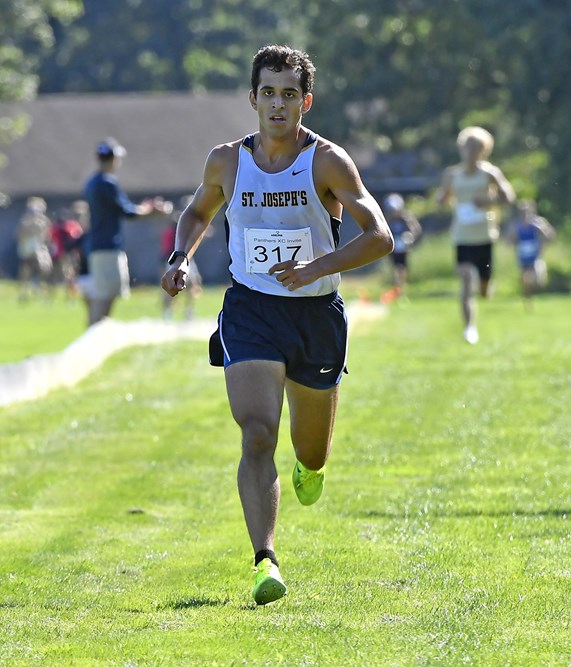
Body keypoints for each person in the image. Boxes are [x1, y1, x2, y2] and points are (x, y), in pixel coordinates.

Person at [161, 45, 394, 605]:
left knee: (309, 452)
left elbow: (379, 235)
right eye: (268, 92)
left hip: (315, 314)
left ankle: (310, 468)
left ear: (305, 102)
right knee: (257, 431)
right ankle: (265, 561)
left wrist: (317, 267)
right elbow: (198, 212)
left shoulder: (327, 161)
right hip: (251, 309)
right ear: (252, 99)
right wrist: (181, 257)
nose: (278, 104)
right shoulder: (226, 161)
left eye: (290, 93)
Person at [437, 126, 515, 344]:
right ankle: (469, 328)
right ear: (461, 149)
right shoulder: (452, 174)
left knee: (482, 289)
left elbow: (509, 197)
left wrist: (488, 201)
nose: (471, 152)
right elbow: (441, 198)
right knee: (466, 279)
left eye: (476, 148)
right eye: (467, 147)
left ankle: (486, 287)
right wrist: (442, 200)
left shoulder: (490, 173)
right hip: (462, 236)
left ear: (484, 151)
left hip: (485, 235)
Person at [84, 137, 172, 326]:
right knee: (105, 295)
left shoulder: (93, 182)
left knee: (105, 293)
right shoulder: (106, 182)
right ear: (114, 158)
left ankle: (95, 333)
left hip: (99, 245)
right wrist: (153, 210)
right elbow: (128, 211)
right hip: (107, 246)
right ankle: (94, 337)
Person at [160, 195, 203, 320]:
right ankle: (168, 313)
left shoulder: (195, 221)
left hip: (187, 257)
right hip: (174, 257)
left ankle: (189, 312)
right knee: (173, 285)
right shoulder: (179, 221)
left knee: (193, 284)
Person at [508, 200, 556, 305]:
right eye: (523, 213)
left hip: (536, 256)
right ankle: (528, 301)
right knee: (526, 281)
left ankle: (536, 287)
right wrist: (514, 235)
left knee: (538, 281)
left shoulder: (539, 223)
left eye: (527, 212)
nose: (525, 215)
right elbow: (509, 242)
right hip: (523, 257)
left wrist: (542, 229)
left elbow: (551, 237)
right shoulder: (517, 226)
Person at [379, 193, 422, 304]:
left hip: (403, 247)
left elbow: (415, 229)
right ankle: (396, 290)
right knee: (395, 269)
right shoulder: (387, 219)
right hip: (392, 248)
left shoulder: (406, 218)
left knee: (402, 269)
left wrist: (409, 236)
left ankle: (401, 291)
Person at [15, 196, 53, 300]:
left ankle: (39, 287)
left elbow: (47, 236)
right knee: (25, 271)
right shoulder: (24, 221)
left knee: (45, 268)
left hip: (40, 249)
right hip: (27, 250)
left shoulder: (44, 221)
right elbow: (19, 236)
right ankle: (24, 291)